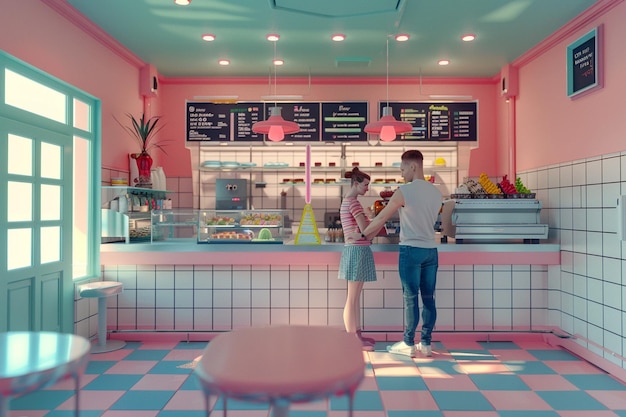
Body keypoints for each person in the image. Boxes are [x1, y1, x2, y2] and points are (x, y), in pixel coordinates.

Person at [354, 150, 442, 357]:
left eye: (403, 169)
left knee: (411, 298)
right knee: (429, 298)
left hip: (411, 250)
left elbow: (382, 218)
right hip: (431, 250)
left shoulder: (405, 190)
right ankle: (426, 344)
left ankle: (408, 343)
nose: (402, 174)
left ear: (413, 166)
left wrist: (363, 235)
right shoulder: (436, 192)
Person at [338, 167, 377, 351]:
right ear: (356, 183)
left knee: (354, 298)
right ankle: (352, 340)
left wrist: (362, 230)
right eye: (366, 185)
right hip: (356, 251)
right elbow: (365, 230)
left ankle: (357, 335)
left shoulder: (348, 202)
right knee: (352, 299)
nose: (367, 188)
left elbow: (361, 230)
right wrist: (372, 222)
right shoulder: (353, 203)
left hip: (354, 251)